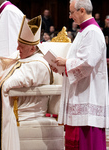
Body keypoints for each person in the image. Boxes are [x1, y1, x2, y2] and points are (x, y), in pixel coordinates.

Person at [0, 15, 51, 150]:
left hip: (27, 108)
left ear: (32, 49)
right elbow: (5, 67)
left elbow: (16, 80)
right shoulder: (23, 55)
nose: (17, 49)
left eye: (21, 46)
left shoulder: (38, 63)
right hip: (16, 102)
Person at [51, 0, 109, 149]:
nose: (70, 16)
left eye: (72, 12)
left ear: (82, 10)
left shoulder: (93, 32)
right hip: (80, 93)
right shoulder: (85, 31)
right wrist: (62, 67)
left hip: (88, 97)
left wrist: (66, 63)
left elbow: (88, 62)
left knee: (87, 143)